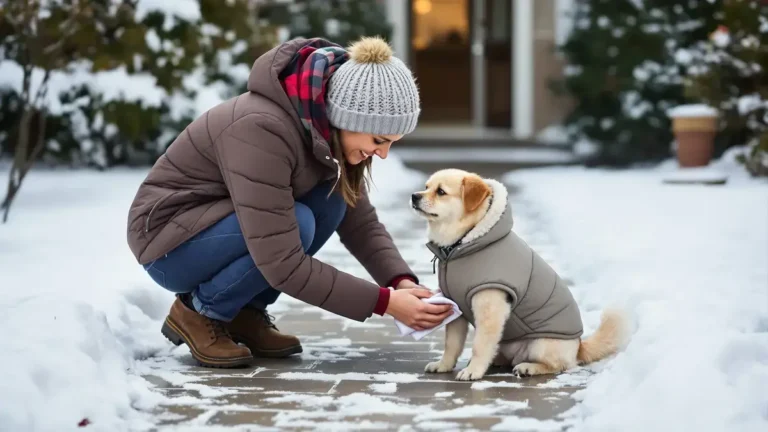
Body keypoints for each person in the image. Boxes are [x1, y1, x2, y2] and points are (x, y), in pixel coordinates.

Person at [126, 36, 454, 368]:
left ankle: (244, 311)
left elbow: (360, 223)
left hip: (214, 225)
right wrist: (386, 303)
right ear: (349, 119)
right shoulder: (261, 128)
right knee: (296, 224)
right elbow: (282, 261)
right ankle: (198, 312)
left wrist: (401, 282)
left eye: (392, 143)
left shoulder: (324, 132)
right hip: (168, 245)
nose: (383, 154)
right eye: (379, 140)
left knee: (332, 201)